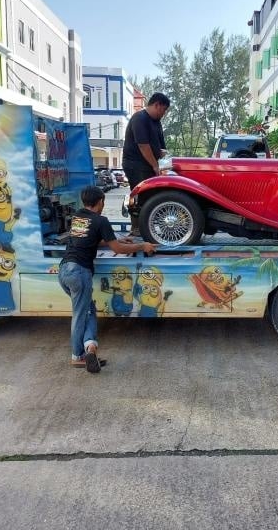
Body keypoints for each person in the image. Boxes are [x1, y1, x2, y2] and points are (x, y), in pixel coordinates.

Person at [58, 186, 157, 373]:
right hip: (79, 272)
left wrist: (120, 241)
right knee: (81, 314)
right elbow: (117, 250)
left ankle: (90, 348)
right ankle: (77, 355)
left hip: (64, 270)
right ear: (101, 201)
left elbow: (89, 239)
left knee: (87, 311)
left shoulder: (78, 217)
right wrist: (142, 246)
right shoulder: (101, 220)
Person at [122, 92, 171, 233]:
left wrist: (165, 162)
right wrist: (155, 165)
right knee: (140, 196)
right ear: (157, 105)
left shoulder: (156, 122)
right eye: (164, 110)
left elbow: (161, 148)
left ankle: (152, 225)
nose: (164, 114)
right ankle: (137, 227)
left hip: (150, 165)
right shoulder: (140, 118)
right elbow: (143, 145)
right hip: (136, 164)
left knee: (155, 195)